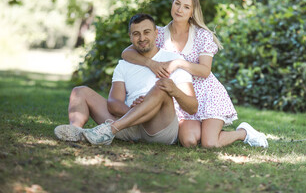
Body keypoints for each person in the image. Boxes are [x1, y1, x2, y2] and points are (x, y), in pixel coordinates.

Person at [121, 0, 268, 148]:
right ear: (172, 5)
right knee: (189, 141)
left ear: (192, 12)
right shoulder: (160, 34)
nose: (179, 9)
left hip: (207, 95)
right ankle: (200, 132)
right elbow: (126, 53)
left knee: (209, 144)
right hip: (181, 97)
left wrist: (177, 63)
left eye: (186, 7)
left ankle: (243, 132)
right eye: (177, 4)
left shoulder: (202, 35)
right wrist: (151, 63)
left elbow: (205, 71)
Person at [54, 13, 198, 145]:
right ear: (130, 37)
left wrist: (174, 91)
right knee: (79, 91)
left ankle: (110, 130)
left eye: (146, 32)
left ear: (156, 34)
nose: (142, 38)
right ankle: (75, 131)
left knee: (161, 87)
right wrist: (134, 110)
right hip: (129, 123)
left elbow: (192, 107)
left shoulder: (173, 59)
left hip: (159, 128)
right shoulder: (124, 64)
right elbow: (113, 103)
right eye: (136, 34)